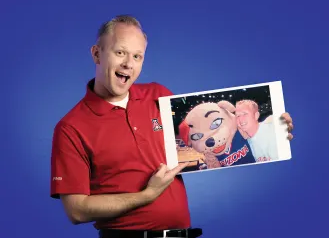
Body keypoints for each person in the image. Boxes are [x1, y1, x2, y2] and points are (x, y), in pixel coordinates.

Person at [50, 15, 295, 238]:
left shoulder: (158, 95)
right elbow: (77, 211)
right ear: (96, 54)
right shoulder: (71, 127)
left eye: (137, 56)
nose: (128, 64)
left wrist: (267, 130)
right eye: (120, 52)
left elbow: (203, 140)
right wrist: (146, 196)